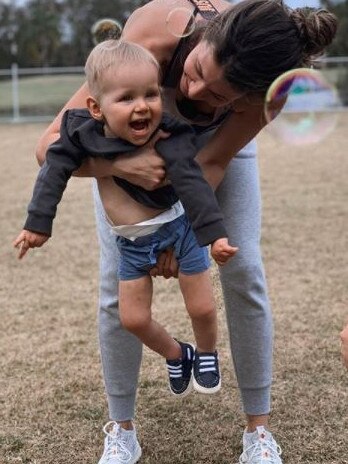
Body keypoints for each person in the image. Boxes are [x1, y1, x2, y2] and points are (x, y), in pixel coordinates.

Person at [34, 0, 338, 463]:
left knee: (245, 268)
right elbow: (49, 146)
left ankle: (258, 431)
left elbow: (213, 161)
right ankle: (122, 428)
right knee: (116, 279)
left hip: (211, 158)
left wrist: (180, 231)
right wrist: (124, 165)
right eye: (196, 69)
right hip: (127, 153)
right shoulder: (158, 27)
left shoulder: (266, 97)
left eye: (218, 97)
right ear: (203, 36)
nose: (193, 88)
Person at [14, 39, 238, 399]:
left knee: (201, 306)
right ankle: (179, 354)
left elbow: (194, 184)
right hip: (132, 245)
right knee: (133, 319)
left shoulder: (169, 134)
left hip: (178, 230)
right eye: (126, 98)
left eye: (150, 94)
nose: (142, 107)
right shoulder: (79, 132)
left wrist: (214, 236)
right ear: (96, 107)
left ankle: (208, 353)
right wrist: (36, 225)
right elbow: (54, 168)